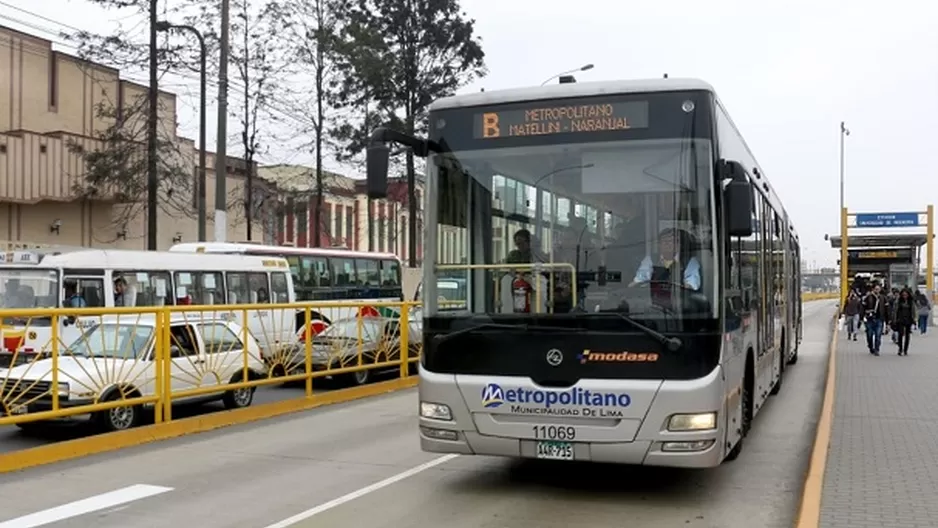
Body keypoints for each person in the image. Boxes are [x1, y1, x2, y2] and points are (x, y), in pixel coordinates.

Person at [631, 227, 701, 291]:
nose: (668, 244)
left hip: (679, 300)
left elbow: (692, 285)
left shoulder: (690, 261)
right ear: (659, 245)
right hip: (654, 300)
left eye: (671, 241)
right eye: (664, 241)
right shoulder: (651, 259)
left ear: (678, 245)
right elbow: (640, 279)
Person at [861, 283, 888, 355]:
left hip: (879, 319)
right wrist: (862, 317)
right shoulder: (868, 297)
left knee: (878, 335)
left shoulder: (883, 298)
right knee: (869, 334)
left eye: (878, 289)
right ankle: (870, 346)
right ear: (873, 289)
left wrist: (888, 321)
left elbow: (887, 310)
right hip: (869, 319)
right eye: (876, 289)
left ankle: (877, 349)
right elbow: (862, 308)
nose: (877, 290)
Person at [892, 288, 915, 356]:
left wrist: (914, 318)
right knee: (900, 334)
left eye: (906, 295)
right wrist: (894, 319)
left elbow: (913, 311)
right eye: (903, 295)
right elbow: (895, 310)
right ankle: (900, 348)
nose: (905, 296)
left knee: (907, 335)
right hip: (900, 319)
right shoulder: (898, 301)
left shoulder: (911, 302)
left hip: (908, 319)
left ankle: (905, 349)